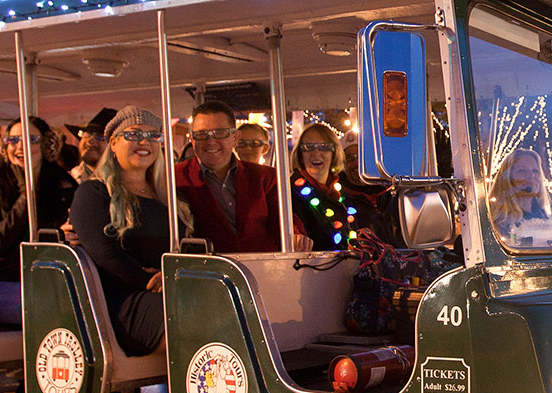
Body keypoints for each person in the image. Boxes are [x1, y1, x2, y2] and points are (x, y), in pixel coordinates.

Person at [69, 105, 186, 357]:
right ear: (113, 142)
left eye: (154, 136)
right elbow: (104, 253)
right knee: (190, 318)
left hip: (173, 290)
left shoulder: (169, 198)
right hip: (122, 299)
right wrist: (148, 280)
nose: (145, 141)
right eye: (133, 134)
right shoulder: (93, 193)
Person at [0, 119, 74, 325]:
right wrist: (26, 197)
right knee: (51, 307)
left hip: (52, 278)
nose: (21, 146)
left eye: (31, 139)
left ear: (46, 144)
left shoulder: (65, 186)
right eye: (14, 139)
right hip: (2, 280)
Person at [174, 100, 304, 253]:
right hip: (206, 270)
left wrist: (297, 236)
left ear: (235, 138)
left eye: (220, 133)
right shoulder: (175, 177)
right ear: (191, 138)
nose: (211, 141)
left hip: (261, 268)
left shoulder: (265, 177)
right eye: (201, 134)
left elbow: (284, 220)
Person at [289, 122, 361, 251]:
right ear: (300, 155)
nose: (316, 153)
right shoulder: (290, 193)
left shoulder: (339, 191)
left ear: (334, 153)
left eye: (324, 147)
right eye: (308, 147)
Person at [487, 148, 552, 247]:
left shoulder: (547, 217)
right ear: (507, 179)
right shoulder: (496, 221)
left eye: (535, 171)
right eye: (522, 171)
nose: (531, 175)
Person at [69, 109, 114, 184]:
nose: (90, 140)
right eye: (87, 134)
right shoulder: (69, 183)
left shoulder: (130, 183)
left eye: (99, 136)